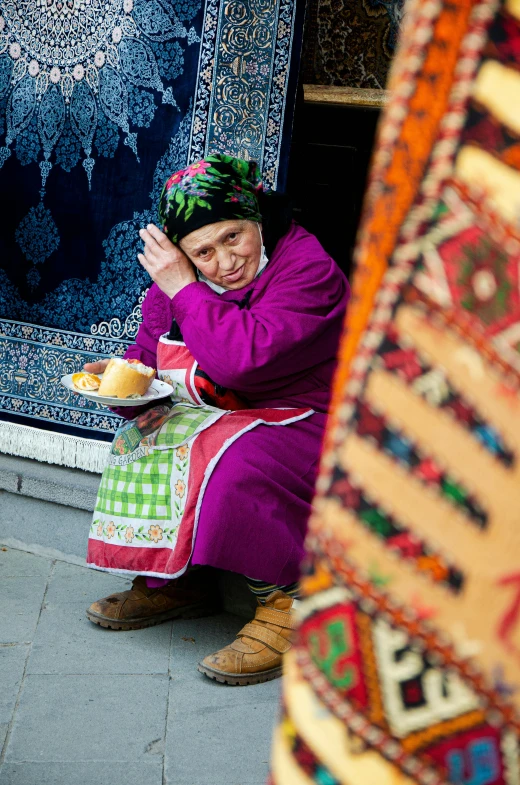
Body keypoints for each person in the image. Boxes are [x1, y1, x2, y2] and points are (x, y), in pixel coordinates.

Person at [84, 154, 349, 685]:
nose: (226, 261)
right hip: (227, 414)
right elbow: (151, 361)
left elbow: (241, 360)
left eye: (234, 237)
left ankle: (288, 602)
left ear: (256, 221)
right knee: (144, 437)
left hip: (318, 420)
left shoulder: (307, 267)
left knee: (234, 458)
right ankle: (180, 580)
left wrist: (186, 286)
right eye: (203, 252)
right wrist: (123, 384)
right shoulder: (174, 283)